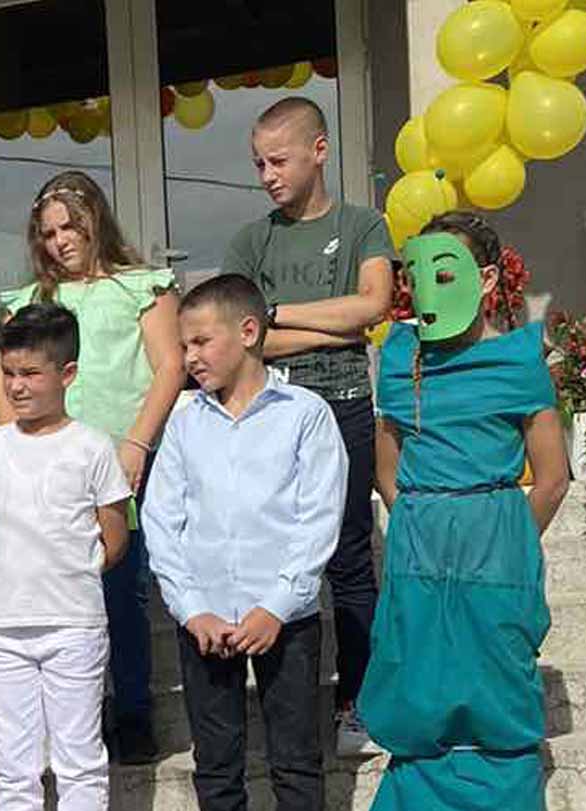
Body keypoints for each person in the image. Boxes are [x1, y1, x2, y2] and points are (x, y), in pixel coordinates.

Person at [361, 213, 568, 811]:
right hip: (421, 547)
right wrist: (427, 530)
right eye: (415, 274)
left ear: (484, 280)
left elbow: (552, 476)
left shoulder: (517, 359)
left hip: (495, 549)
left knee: (500, 697)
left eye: (443, 272)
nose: (425, 288)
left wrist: (500, 541)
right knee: (420, 694)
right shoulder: (400, 357)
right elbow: (388, 469)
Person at [144, 274, 348, 811]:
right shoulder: (184, 422)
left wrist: (277, 606)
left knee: (294, 758)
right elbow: (162, 521)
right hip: (205, 621)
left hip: (283, 619)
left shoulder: (305, 415)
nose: (190, 357)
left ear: (249, 333)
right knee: (217, 760)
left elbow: (318, 518)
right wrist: (190, 608)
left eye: (202, 342)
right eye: (184, 345)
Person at [221, 97, 396, 759]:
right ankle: (286, 713)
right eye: (258, 164)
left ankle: (358, 703)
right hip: (270, 414)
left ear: (319, 151)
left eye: (279, 161)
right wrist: (330, 323)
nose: (267, 175)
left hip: (345, 405)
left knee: (349, 557)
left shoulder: (362, 225)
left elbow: (373, 306)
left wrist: (278, 312)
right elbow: (242, 339)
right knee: (275, 559)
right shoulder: (250, 240)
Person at [0, 171, 184, 765]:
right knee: (62, 596)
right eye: (48, 233)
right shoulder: (30, 302)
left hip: (120, 464)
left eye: (69, 228)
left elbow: (170, 367)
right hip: (51, 471)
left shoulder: (141, 287)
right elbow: (3, 383)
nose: (60, 242)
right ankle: (74, 715)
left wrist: (137, 445)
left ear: (95, 221)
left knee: (121, 588)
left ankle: (132, 711)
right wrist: (18, 453)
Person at [0, 304, 131, 811]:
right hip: (2, 626)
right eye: (9, 373)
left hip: (73, 624)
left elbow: (113, 536)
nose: (17, 386)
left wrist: (66, 575)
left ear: (67, 374)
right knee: (13, 766)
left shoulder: (91, 447)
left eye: (31, 373)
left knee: (79, 760)